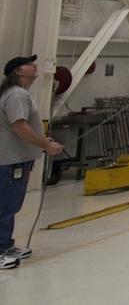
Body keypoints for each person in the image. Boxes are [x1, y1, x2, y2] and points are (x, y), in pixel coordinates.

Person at [1, 55, 64, 270]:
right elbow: (19, 126)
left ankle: (6, 245)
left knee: (10, 205)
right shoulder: (17, 95)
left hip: (16, 159)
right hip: (10, 160)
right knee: (5, 206)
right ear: (18, 71)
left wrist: (43, 141)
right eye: (30, 64)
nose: (35, 66)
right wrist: (45, 145)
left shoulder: (18, 93)